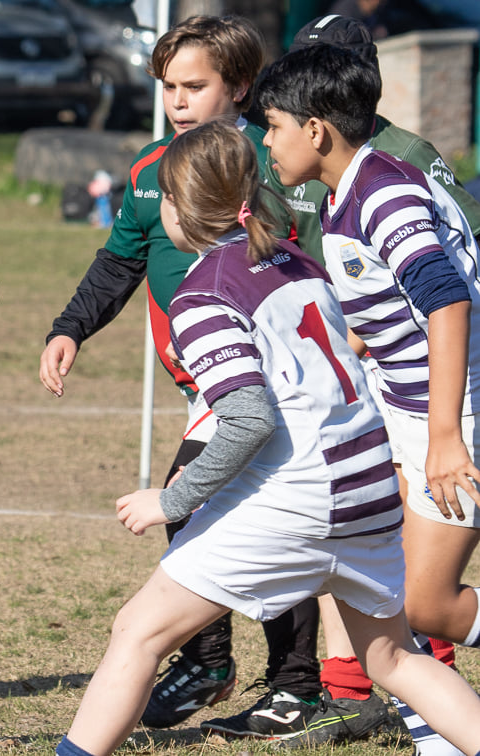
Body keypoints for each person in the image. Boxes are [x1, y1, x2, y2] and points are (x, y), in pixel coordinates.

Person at [56, 118, 480, 756]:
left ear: (178, 209)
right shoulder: (298, 259)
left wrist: (170, 501)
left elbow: (249, 418)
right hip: (369, 495)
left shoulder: (200, 296)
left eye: (164, 197)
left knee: (138, 632)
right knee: (392, 658)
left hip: (297, 502)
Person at [38, 15, 348, 742]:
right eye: (168, 87)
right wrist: (69, 326)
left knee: (216, 507)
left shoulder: (279, 162)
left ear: (238, 87)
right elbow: (119, 260)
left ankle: (288, 682)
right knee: (208, 512)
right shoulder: (151, 170)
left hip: (261, 387)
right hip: (202, 387)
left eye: (194, 86)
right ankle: (217, 662)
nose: (177, 101)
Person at [257, 44, 480, 755]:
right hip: (405, 414)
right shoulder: (343, 196)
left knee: (426, 604)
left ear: (314, 129)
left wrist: (444, 436)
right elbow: (389, 309)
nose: (266, 144)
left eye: (272, 126)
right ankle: (437, 743)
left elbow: (446, 303)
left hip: (453, 415)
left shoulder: (383, 192)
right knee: (375, 591)